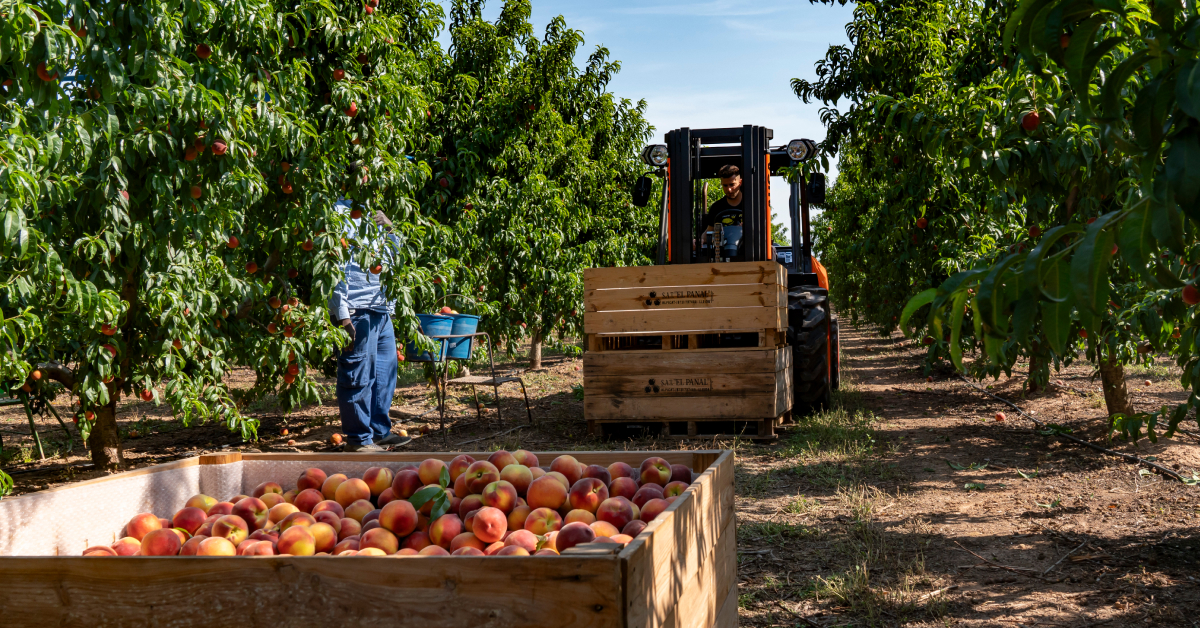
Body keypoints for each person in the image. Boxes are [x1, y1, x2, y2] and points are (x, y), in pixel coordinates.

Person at [329, 200, 411, 452]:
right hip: (356, 309)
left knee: (384, 375)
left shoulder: (374, 210)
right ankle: (358, 439)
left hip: (381, 308)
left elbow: (396, 257)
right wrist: (343, 315)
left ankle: (378, 432)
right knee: (358, 376)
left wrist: (391, 229)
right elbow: (333, 268)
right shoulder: (337, 212)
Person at [702, 164, 744, 229]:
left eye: (732, 185)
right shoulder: (716, 208)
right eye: (725, 185)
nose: (729, 189)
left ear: (740, 182)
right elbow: (709, 231)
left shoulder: (751, 205)